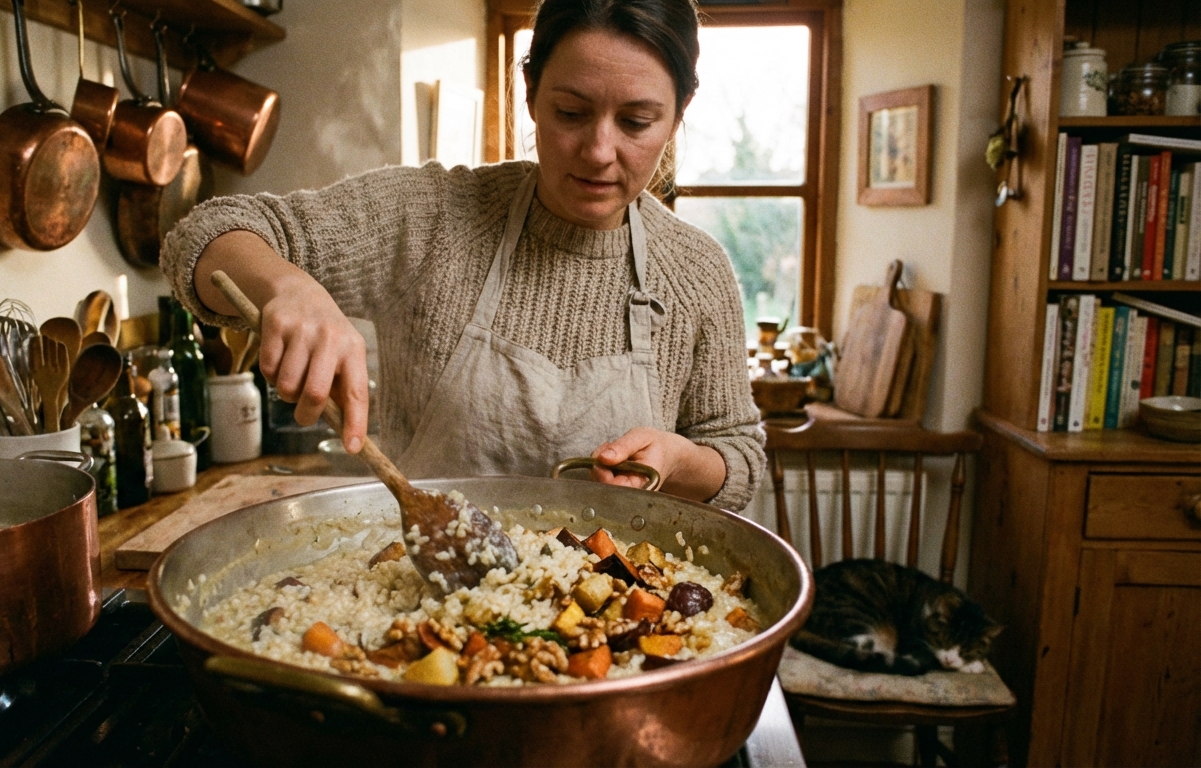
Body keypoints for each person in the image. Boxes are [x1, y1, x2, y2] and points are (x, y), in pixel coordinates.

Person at [162, 0, 764, 511]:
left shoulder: (695, 271)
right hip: (421, 594)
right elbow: (203, 234)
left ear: (677, 116)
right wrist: (285, 286)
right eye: (571, 113)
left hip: (617, 602)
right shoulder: (432, 217)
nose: (599, 151)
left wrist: (680, 461)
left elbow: (738, 457)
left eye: (635, 121)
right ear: (530, 93)